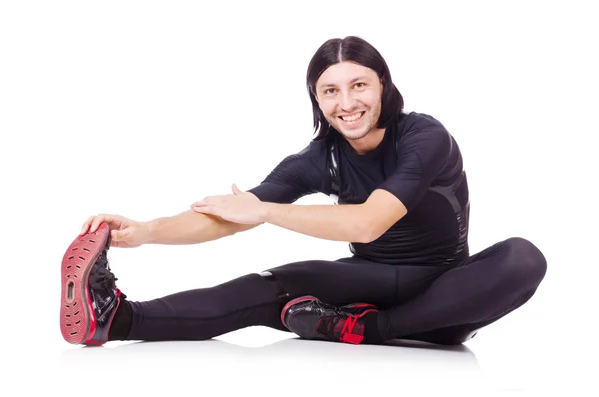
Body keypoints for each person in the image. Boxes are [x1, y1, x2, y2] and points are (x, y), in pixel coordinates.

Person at [60, 36, 547, 347]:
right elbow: (233, 214)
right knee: (263, 287)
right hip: (368, 282)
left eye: (359, 85)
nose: (347, 103)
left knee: (523, 258)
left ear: (383, 85)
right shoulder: (321, 157)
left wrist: (266, 212)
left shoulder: (424, 137)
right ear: (316, 98)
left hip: (444, 295)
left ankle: (368, 329)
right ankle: (116, 319)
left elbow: (366, 222)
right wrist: (145, 231)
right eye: (330, 91)